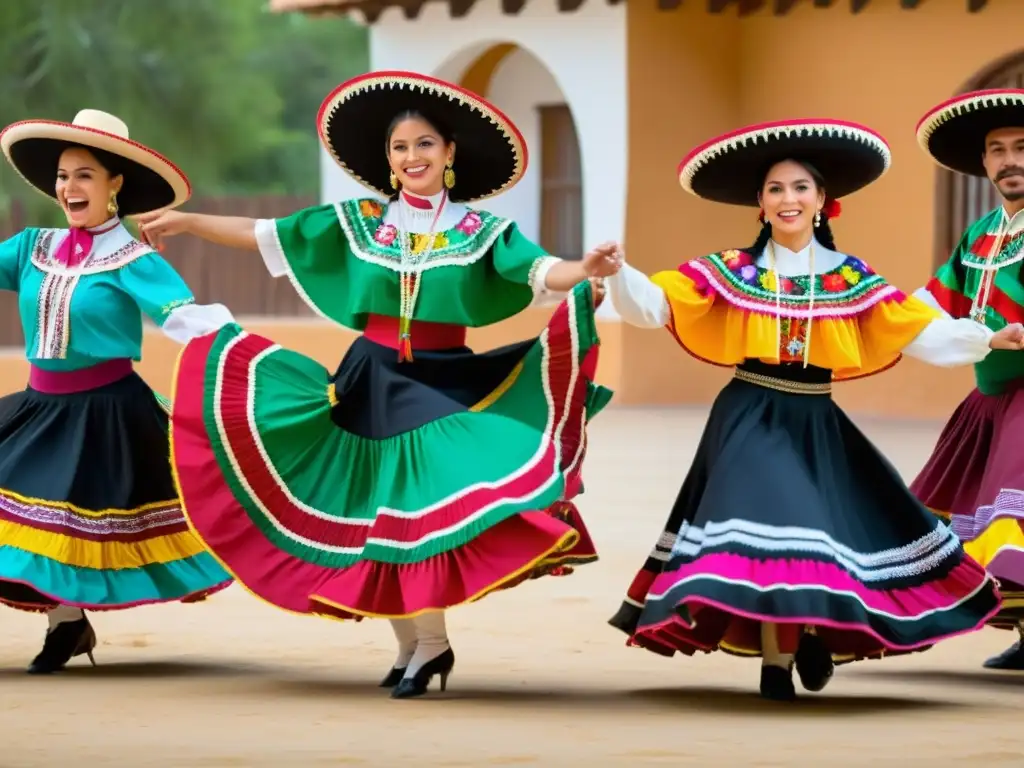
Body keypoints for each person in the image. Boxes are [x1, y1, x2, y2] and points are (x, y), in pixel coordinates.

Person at [134, 71, 619, 699]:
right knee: (373, 512)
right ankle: (412, 646)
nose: (411, 157)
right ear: (388, 162)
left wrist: (584, 269)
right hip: (370, 372)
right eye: (399, 148)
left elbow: (537, 269)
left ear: (449, 154)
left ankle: (434, 643)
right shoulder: (359, 220)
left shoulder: (480, 231)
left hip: (439, 380)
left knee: (415, 508)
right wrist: (191, 222)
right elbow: (264, 235)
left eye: (424, 145)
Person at [603, 118, 1012, 701]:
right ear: (760, 205)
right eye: (774, 189)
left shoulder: (851, 277)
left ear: (823, 201)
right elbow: (656, 304)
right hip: (748, 412)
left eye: (800, 188)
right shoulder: (732, 271)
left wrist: (985, 338)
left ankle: (805, 637)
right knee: (774, 520)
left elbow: (914, 331)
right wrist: (619, 270)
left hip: (815, 418)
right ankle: (777, 666)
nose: (787, 199)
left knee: (818, 532)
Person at [0, 109, 234, 673]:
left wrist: (241, 350)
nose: (68, 187)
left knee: (60, 520)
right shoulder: (33, 245)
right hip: (40, 404)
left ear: (115, 185)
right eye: (62, 175)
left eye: (84, 174)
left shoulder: (131, 259)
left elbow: (182, 318)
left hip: (105, 413)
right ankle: (68, 623)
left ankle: (65, 624)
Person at [910, 88, 1024, 670]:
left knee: (1016, 508)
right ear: (984, 164)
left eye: (1023, 147)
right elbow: (933, 301)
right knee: (940, 511)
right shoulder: (980, 233)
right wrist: (869, 313)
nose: (1011, 161)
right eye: (997, 150)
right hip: (991, 398)